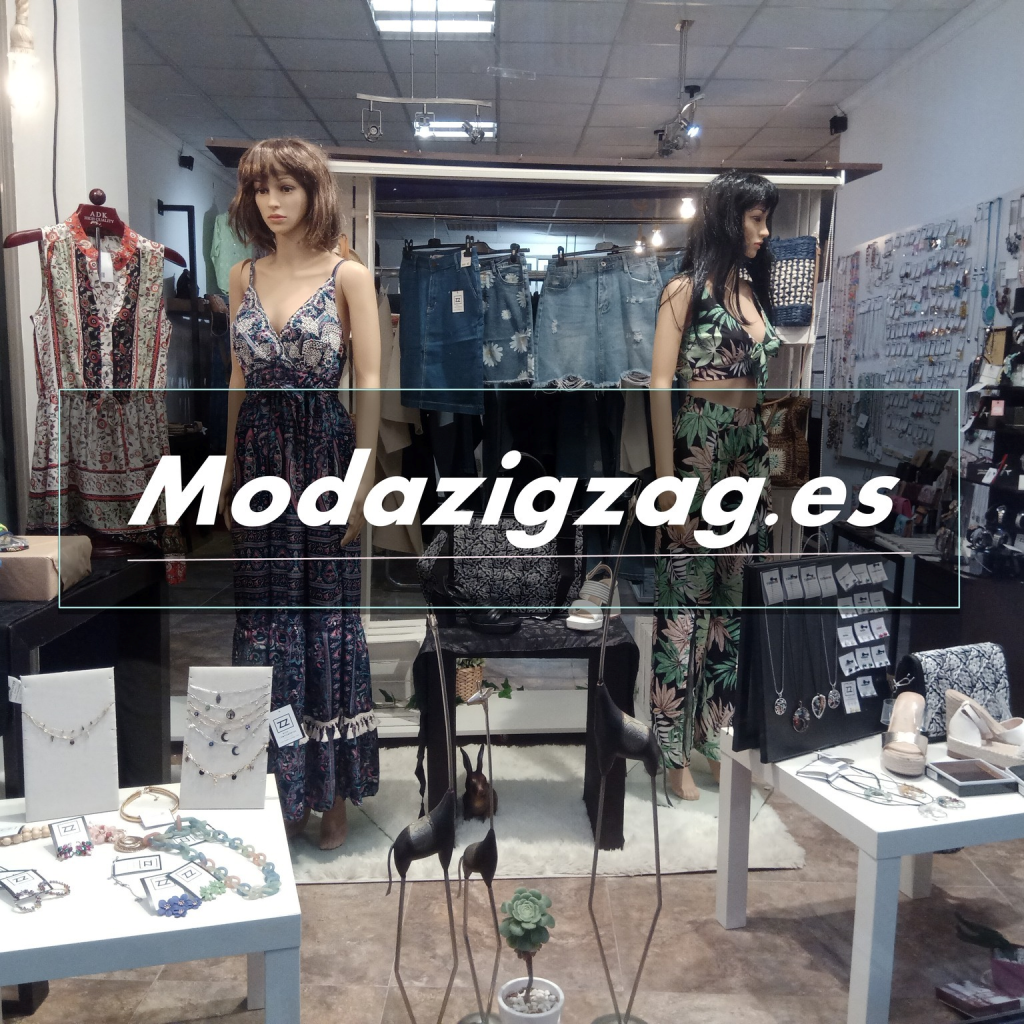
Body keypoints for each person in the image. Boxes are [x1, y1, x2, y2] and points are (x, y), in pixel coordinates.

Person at [220, 138, 382, 848]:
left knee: (326, 622)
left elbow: (370, 379)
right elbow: (237, 375)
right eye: (262, 189)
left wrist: (362, 479)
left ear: (315, 193)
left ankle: (333, 788)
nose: (273, 201)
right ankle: (281, 783)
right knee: (268, 624)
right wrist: (227, 464)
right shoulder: (242, 275)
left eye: (287, 187)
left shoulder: (349, 275)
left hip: (322, 456)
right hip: (260, 457)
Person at [649, 171, 781, 800]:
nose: (765, 231)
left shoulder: (754, 292)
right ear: (728, 219)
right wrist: (667, 486)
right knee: (684, 611)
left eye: (766, 218)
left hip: (748, 459)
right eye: (756, 218)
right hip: (699, 450)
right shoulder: (684, 291)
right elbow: (658, 387)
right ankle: (671, 752)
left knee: (732, 609)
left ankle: (715, 739)